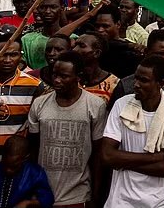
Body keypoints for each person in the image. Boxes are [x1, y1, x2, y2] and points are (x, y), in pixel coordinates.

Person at [100, 56, 164, 208]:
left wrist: (123, 163)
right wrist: (156, 157)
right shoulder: (121, 105)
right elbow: (107, 156)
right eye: (136, 78)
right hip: (120, 201)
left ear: (161, 82)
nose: (136, 85)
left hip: (157, 202)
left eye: (144, 80)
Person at [27, 51, 108, 208]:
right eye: (54, 74)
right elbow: (33, 148)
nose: (57, 80)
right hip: (43, 193)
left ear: (78, 76)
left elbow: (98, 154)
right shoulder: (39, 104)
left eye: (64, 76)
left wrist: (96, 194)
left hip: (78, 195)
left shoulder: (95, 105)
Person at [0, 36, 45, 163]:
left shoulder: (34, 86)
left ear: (21, 56)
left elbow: (36, 127)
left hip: (17, 162)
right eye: (3, 54)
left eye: (13, 55)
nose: (8, 60)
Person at [0, 135, 55, 208]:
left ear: (25, 158)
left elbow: (48, 198)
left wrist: (28, 203)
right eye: (5, 165)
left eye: (13, 167)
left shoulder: (35, 173)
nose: (8, 170)